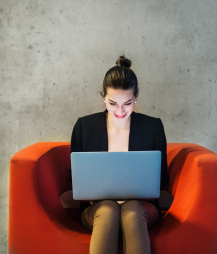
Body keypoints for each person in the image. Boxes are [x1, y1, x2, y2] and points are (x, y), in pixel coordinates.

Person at [69, 55, 169, 254]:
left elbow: (161, 179)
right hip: (96, 208)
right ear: (103, 96)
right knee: (108, 210)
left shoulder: (152, 127)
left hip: (141, 207)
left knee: (131, 211)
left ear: (136, 97)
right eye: (112, 103)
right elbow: (77, 178)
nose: (120, 111)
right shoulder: (84, 127)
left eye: (128, 103)